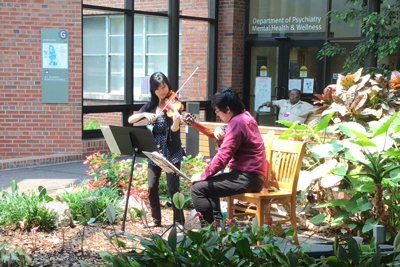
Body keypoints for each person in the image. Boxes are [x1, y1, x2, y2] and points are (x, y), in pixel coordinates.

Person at [190, 87, 267, 226]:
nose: (218, 114)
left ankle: (208, 233)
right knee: (208, 186)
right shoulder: (245, 117)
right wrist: (222, 128)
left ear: (227, 109)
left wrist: (203, 174)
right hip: (252, 176)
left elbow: (223, 156)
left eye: (218, 111)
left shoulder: (237, 123)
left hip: (248, 177)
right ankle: (217, 228)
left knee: (197, 189)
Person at [128, 72, 184, 228]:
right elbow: (130, 120)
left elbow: (174, 129)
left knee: (173, 187)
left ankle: (179, 221)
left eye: (164, 86)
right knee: (152, 186)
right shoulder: (151, 105)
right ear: (153, 90)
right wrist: (144, 114)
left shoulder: (174, 104)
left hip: (172, 151)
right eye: (158, 88)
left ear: (168, 85)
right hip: (155, 150)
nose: (162, 91)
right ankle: (156, 219)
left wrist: (177, 121)